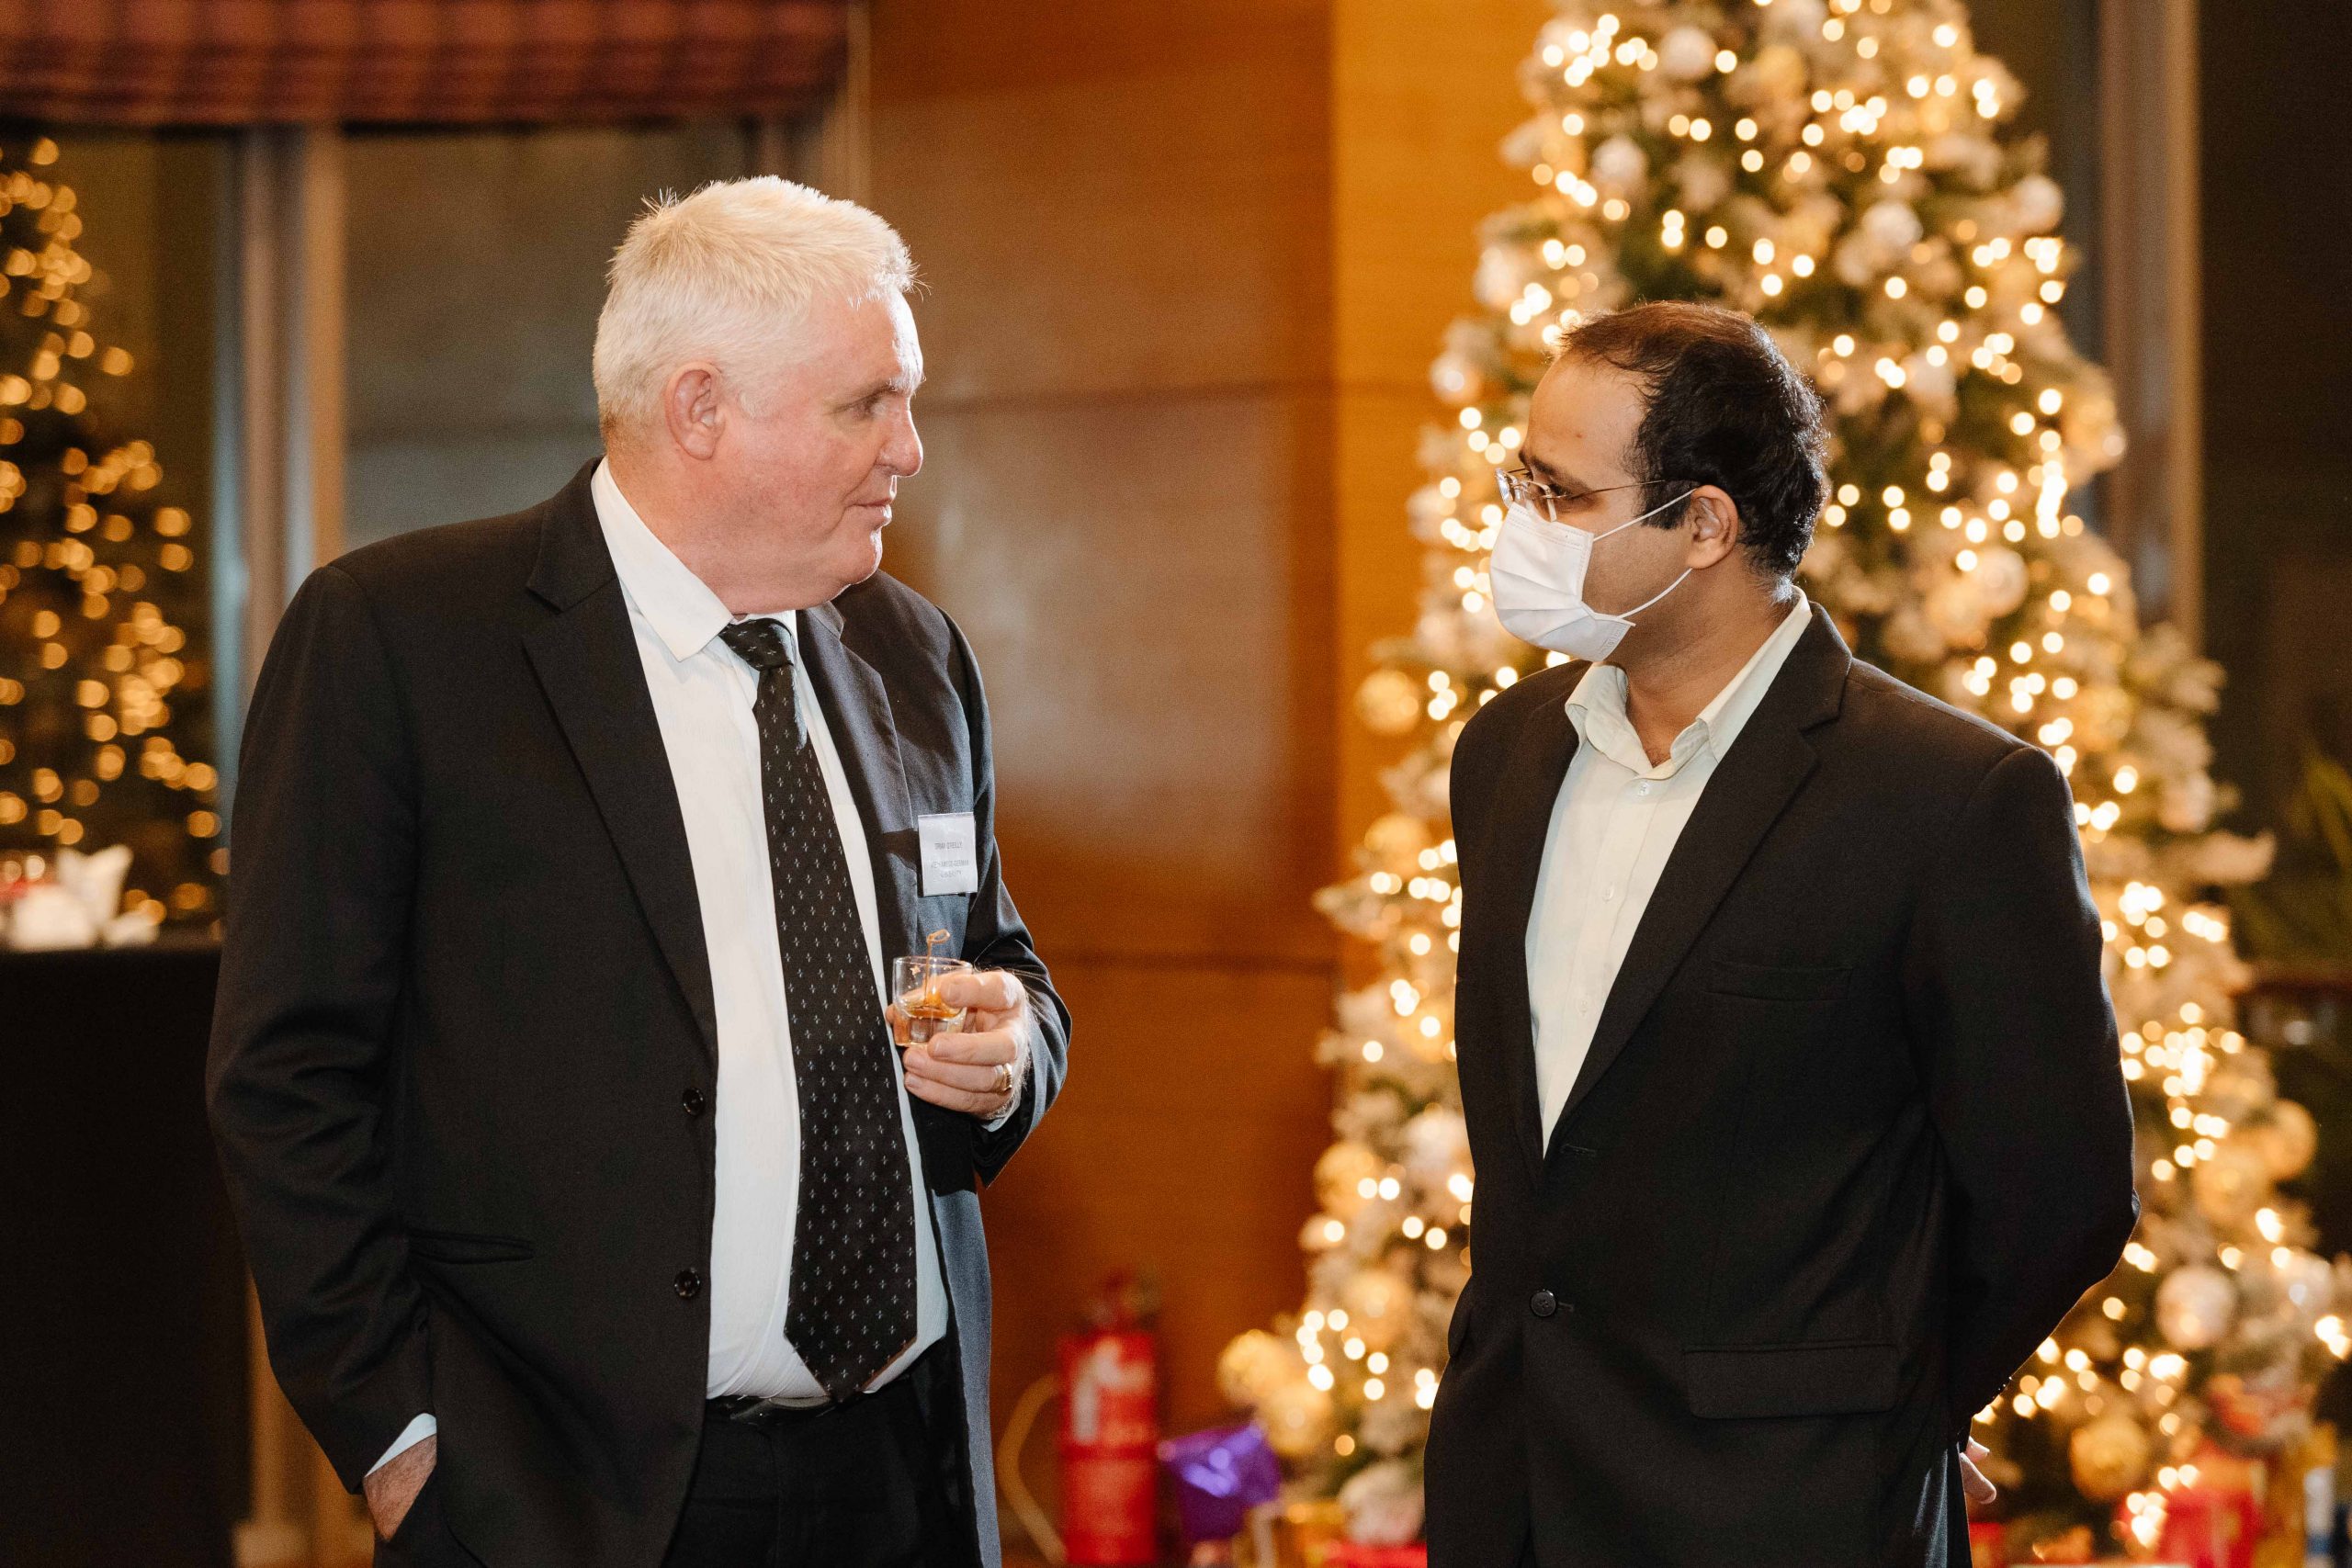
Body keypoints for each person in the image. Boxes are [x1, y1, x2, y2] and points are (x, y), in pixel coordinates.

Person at [208, 177, 1069, 1568]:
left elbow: (1006, 964)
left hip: (903, 1477)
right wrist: (396, 1436)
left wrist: (1012, 1049)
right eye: (867, 404)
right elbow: (287, 1078)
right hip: (563, 1495)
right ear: (700, 408)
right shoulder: (404, 642)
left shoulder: (915, 652)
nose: (909, 449)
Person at [1423, 301, 2137, 1567]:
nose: (1520, 525)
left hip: (1790, 1510)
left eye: (1563, 495)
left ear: (1705, 526)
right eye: (1520, 481)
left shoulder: (1950, 797)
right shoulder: (1507, 752)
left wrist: (1893, 1403)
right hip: (1514, 1486)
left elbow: (2059, 1194)